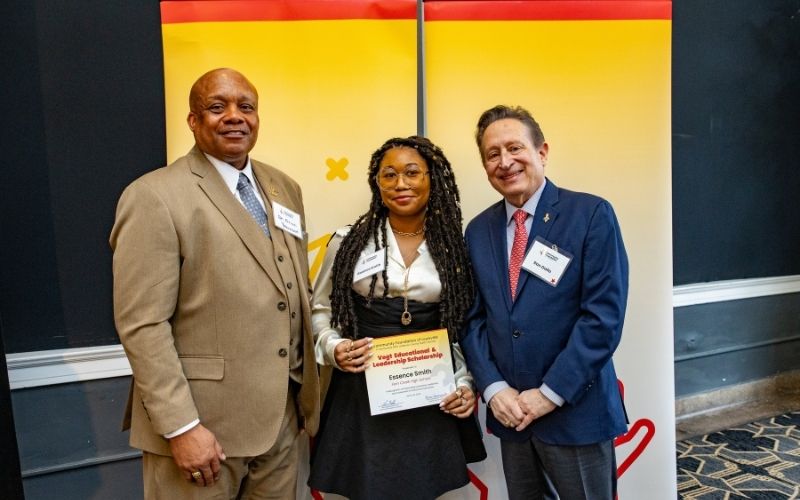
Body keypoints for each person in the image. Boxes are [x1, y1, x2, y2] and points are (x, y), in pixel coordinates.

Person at [110, 68, 320, 499]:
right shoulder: (154, 196)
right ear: (193, 120)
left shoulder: (285, 188)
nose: (234, 116)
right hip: (202, 431)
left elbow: (290, 289)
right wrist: (182, 427)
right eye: (217, 106)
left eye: (246, 107)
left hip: (281, 426)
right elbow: (142, 325)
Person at [461, 105, 629, 500]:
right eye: (492, 154)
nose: (505, 162)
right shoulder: (478, 230)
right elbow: (472, 319)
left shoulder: (590, 214)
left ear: (542, 152)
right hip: (512, 415)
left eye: (515, 148)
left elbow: (602, 318)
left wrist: (548, 393)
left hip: (576, 412)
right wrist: (493, 389)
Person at [308, 136, 484, 499]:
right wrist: (333, 348)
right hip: (361, 393)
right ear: (377, 183)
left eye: (412, 173)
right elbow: (320, 309)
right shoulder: (347, 241)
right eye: (389, 175)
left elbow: (457, 328)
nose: (400, 184)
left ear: (432, 178)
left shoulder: (453, 249)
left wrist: (464, 383)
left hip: (430, 394)